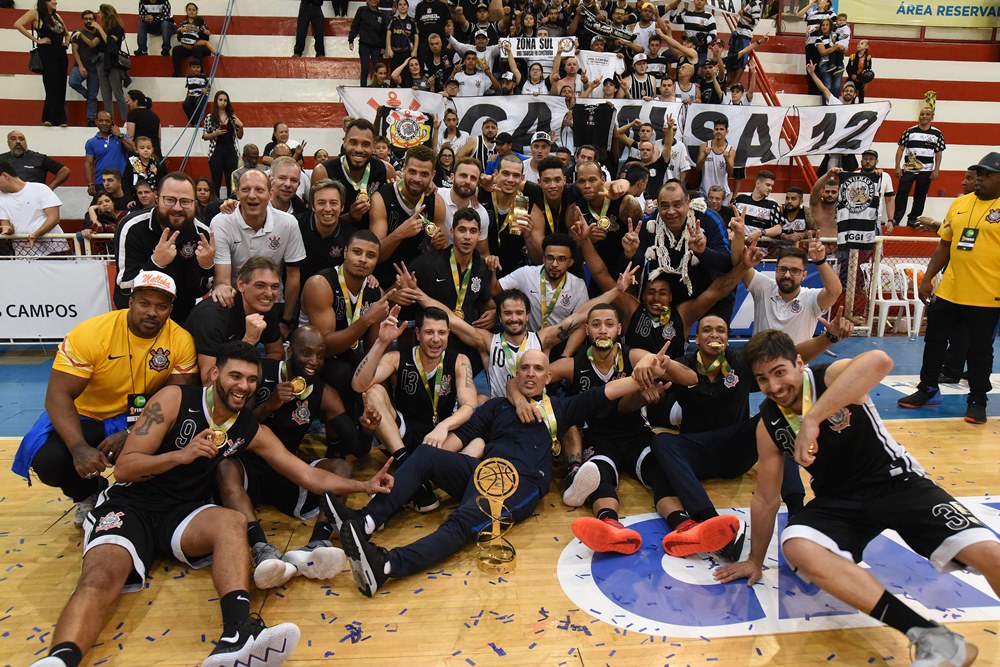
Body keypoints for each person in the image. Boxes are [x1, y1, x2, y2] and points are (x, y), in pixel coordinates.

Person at [27, 341, 394, 667]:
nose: (243, 386)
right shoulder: (173, 400)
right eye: (235, 376)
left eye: (251, 380)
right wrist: (181, 456)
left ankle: (237, 633)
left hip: (183, 514)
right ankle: (61, 659)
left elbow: (307, 475)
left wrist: (363, 483)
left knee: (232, 522)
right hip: (132, 504)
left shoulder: (248, 426)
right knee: (101, 577)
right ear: (215, 373)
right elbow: (125, 468)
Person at [715, 330, 1000, 667]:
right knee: (797, 544)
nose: (774, 386)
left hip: (896, 481)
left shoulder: (830, 376)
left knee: (988, 553)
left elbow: (880, 360)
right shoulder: (769, 423)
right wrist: (755, 561)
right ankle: (931, 636)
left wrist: (813, 419)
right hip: (840, 500)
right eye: (763, 379)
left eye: (780, 372)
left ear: (799, 363)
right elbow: (765, 498)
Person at [325, 343, 675, 597]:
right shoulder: (496, 407)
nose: (531, 374)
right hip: (484, 471)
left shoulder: (561, 406)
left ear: (548, 376)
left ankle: (386, 567)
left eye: (539, 369)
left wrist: (645, 375)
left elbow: (609, 391)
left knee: (461, 523)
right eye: (525, 368)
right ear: (516, 373)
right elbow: (458, 439)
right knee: (424, 456)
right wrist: (419, 473)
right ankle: (365, 522)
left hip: (520, 485)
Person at [11, 271, 197, 526]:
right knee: (49, 461)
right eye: (144, 303)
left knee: (176, 441)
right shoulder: (91, 334)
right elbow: (58, 395)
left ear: (170, 309)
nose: (152, 312)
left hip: (143, 416)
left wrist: (134, 432)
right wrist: (79, 449)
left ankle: (142, 497)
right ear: (130, 301)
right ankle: (87, 492)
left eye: (161, 306)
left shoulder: (181, 340)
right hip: (89, 416)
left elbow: (177, 398)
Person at [214, 327, 361, 588]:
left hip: (288, 469)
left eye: (320, 355)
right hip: (248, 465)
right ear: (290, 351)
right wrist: (269, 405)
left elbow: (357, 446)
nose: (314, 362)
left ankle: (319, 541)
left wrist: (369, 425)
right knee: (225, 467)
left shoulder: (323, 392)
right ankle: (261, 548)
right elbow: (231, 425)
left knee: (341, 467)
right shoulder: (261, 373)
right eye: (306, 353)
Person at [897, 153, 1000, 425]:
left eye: (987, 174)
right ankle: (928, 389)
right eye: (979, 173)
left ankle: (978, 399)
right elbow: (944, 244)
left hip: (988, 296)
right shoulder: (960, 204)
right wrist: (927, 278)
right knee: (933, 342)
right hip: (949, 291)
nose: (980, 178)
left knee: (979, 350)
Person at [210, 170, 306, 336]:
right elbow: (223, 281)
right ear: (237, 193)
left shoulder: (288, 223)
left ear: (270, 194)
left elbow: (293, 275)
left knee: (274, 352)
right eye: (245, 190)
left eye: (259, 190)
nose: (252, 195)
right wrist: (222, 289)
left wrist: (285, 321)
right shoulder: (221, 222)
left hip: (272, 300)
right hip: (235, 300)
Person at [114, 172, 214, 324]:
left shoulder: (202, 233)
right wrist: (156, 263)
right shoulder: (132, 226)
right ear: (157, 199)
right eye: (169, 200)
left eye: (185, 201)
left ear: (195, 203)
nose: (177, 208)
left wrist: (207, 267)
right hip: (136, 320)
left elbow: (198, 291)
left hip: (180, 320)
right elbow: (125, 288)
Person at [368, 145, 446, 285]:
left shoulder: (437, 202)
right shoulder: (381, 198)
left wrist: (439, 243)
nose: (416, 179)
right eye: (412, 172)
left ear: (433, 175)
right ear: (403, 168)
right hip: (383, 279)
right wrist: (400, 233)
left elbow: (441, 248)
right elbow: (375, 255)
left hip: (419, 280)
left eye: (424, 174)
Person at [313, 118, 397, 230]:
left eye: (366, 144)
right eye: (353, 142)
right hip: (334, 241)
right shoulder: (323, 171)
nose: (359, 149)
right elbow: (315, 221)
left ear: (373, 146)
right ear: (344, 142)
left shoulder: (387, 170)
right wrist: (350, 217)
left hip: (373, 239)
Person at [15, 0, 69, 127]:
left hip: (60, 53)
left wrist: (66, 43)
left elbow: (67, 34)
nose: (55, 2)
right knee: (52, 84)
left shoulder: (57, 16)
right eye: (51, 0)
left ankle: (51, 118)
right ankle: (56, 118)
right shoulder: (35, 13)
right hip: (47, 52)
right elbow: (17, 24)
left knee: (61, 84)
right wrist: (36, 40)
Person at [0, 159, 69, 257]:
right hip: (22, 253)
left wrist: (36, 234)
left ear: (5, 176)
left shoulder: (40, 189)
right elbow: (5, 226)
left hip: (53, 250)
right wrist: (7, 231)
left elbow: (54, 218)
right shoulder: (1, 198)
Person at [893, 106, 946, 228]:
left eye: (927, 114)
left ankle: (913, 219)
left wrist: (936, 169)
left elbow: (938, 153)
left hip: (926, 170)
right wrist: (897, 167)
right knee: (901, 194)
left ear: (932, 117)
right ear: (919, 116)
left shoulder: (937, 134)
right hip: (909, 169)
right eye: (922, 114)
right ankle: (896, 219)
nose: (924, 116)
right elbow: (900, 149)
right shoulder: (909, 131)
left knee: (920, 195)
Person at [298, 179, 356, 286]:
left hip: (333, 293)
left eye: (333, 203)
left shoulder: (351, 236)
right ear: (313, 206)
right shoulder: (295, 226)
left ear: (342, 207)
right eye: (321, 203)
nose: (328, 209)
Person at [202, 90, 244, 198]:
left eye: (225, 100)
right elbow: (205, 136)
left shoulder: (233, 118)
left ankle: (232, 203)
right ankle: (215, 205)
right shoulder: (210, 117)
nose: (223, 102)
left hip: (231, 150)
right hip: (216, 151)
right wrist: (216, 133)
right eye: (220, 100)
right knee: (216, 181)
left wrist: (241, 126)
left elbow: (239, 136)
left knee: (231, 181)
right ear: (216, 101)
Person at [94, 4, 129, 125]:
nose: (99, 15)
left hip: (113, 61)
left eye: (100, 13)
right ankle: (109, 121)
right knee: (105, 94)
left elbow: (110, 43)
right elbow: (94, 43)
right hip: (101, 61)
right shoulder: (103, 29)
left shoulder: (117, 29)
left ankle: (126, 120)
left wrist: (99, 28)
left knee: (117, 92)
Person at [0, 130, 70, 189]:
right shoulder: (1, 159)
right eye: (13, 139)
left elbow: (64, 171)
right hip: (8, 200)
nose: (18, 141)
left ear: (25, 142)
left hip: (35, 200)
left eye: (21, 139)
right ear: (8, 143)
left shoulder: (39, 158)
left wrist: (49, 189)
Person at [68, 9, 102, 127]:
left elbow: (93, 44)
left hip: (96, 68)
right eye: (86, 19)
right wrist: (81, 66)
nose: (88, 21)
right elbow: (74, 50)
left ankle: (91, 119)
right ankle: (88, 95)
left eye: (91, 19)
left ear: (94, 20)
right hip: (80, 65)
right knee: (73, 82)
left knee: (93, 95)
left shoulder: (99, 33)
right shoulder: (76, 33)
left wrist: (81, 34)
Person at [731, 170, 785, 239]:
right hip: (739, 242)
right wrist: (731, 231)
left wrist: (761, 232)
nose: (770, 188)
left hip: (760, 245)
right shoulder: (740, 199)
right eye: (768, 185)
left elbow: (778, 229)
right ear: (758, 183)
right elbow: (731, 219)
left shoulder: (773, 205)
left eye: (772, 186)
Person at [349, 0, 388, 87]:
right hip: (364, 45)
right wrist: (351, 40)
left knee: (378, 69)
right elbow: (355, 26)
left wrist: (383, 46)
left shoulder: (382, 14)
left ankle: (378, 88)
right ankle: (363, 89)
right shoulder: (361, 10)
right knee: (365, 69)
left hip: (377, 47)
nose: (373, 1)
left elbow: (383, 32)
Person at [696, 119, 734, 203]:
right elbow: (698, 167)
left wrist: (727, 160)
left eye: (721, 129)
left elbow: (730, 173)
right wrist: (705, 155)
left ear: (726, 131)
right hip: (705, 192)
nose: (718, 131)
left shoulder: (730, 150)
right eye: (716, 129)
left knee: (721, 216)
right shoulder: (704, 146)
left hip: (722, 194)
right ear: (713, 131)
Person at [171, 2, 212, 77]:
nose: (191, 11)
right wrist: (181, 31)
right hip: (187, 47)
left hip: (199, 47)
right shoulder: (183, 23)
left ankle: (200, 74)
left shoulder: (201, 23)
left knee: (196, 49)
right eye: (189, 10)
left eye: (193, 10)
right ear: (186, 11)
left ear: (196, 12)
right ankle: (177, 72)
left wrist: (198, 31)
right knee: (176, 49)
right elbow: (179, 39)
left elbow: (207, 38)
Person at [126, 90, 163, 161]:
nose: (128, 103)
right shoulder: (155, 115)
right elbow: (159, 137)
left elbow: (130, 136)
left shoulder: (132, 114)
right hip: (155, 153)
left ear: (136, 101)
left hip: (140, 155)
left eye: (129, 100)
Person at [181, 57, 210, 122]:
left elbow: (209, 87)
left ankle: (196, 122)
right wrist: (186, 98)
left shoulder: (203, 76)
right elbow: (188, 89)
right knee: (185, 104)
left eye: (198, 67)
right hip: (191, 95)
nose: (196, 69)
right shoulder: (189, 77)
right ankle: (193, 121)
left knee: (200, 106)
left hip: (201, 95)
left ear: (200, 68)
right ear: (190, 68)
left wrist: (206, 90)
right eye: (194, 67)